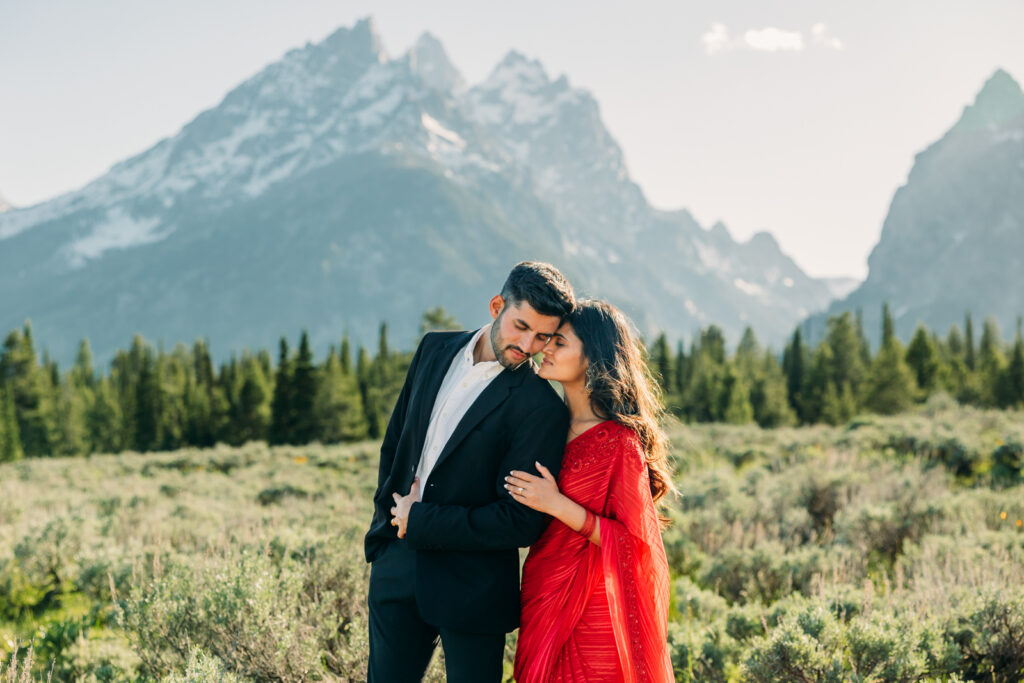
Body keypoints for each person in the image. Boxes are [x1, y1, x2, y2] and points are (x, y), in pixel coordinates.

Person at [364, 261, 575, 683]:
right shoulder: (433, 349)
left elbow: (520, 521)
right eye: (520, 326)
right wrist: (383, 541)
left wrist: (420, 520)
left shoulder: (542, 408)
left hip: (473, 589)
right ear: (497, 305)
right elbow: (396, 445)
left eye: (542, 337)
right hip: (397, 567)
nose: (528, 345)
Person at [506, 299, 675, 683]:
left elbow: (636, 545)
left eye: (559, 342)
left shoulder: (620, 443)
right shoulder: (543, 426)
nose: (545, 347)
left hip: (594, 611)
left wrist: (556, 505)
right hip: (543, 592)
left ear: (593, 357)